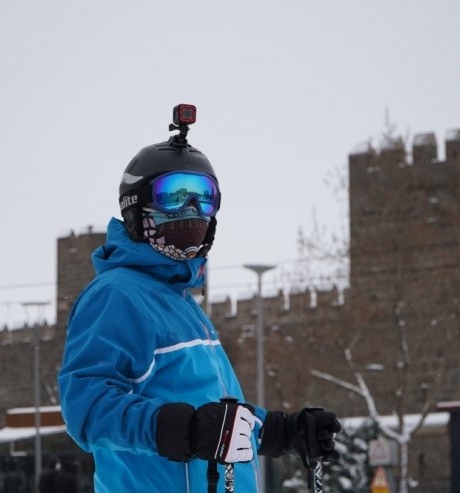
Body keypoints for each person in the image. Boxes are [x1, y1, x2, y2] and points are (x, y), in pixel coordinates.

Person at [58, 105, 340, 492]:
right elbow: (86, 407)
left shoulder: (183, 305)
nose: (191, 210)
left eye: (203, 197)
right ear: (136, 208)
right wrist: (183, 430)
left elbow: (218, 423)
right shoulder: (116, 296)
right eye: (173, 195)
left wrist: (280, 431)